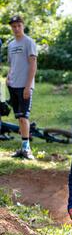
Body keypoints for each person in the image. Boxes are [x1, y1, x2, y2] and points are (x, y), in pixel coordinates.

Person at [6, 15, 37, 160]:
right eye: (14, 26)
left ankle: (27, 149)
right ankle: (22, 148)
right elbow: (12, 64)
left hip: (24, 86)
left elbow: (33, 64)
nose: (16, 28)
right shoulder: (11, 45)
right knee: (19, 117)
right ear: (11, 28)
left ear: (23, 26)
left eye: (19, 25)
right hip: (13, 85)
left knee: (24, 117)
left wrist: (28, 85)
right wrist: (8, 76)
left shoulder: (29, 42)